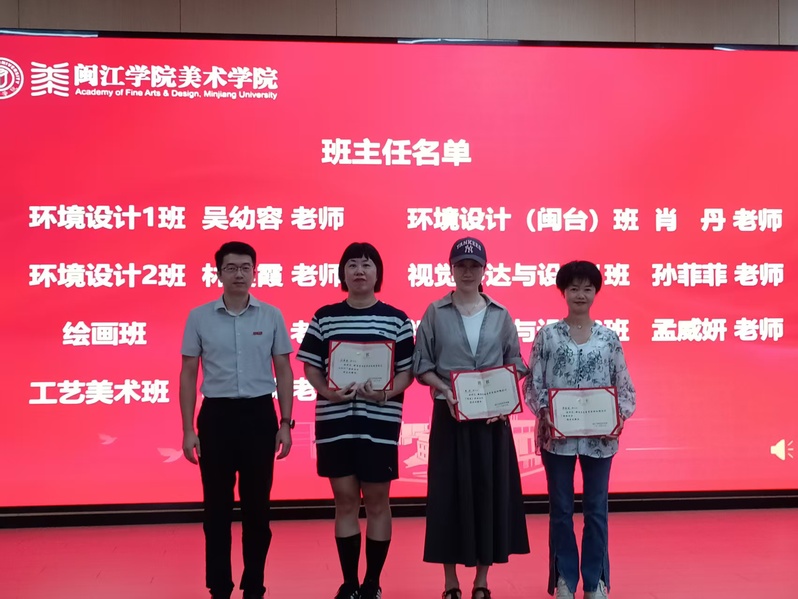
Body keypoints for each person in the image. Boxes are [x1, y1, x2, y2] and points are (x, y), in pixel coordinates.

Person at [413, 237, 530, 599]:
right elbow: (422, 365)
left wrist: (504, 397)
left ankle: (482, 580)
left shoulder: (500, 314)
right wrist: (445, 390)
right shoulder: (436, 312)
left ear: (484, 270)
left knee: (488, 494)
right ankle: (450, 582)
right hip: (450, 415)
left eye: (474, 266)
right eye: (461, 265)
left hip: (492, 421)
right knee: (447, 496)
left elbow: (516, 363)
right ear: (451, 269)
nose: (467, 272)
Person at [297, 242, 415, 599]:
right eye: (352, 265)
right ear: (342, 273)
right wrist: (328, 392)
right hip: (335, 421)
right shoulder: (325, 317)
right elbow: (311, 366)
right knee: (345, 501)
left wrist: (384, 393)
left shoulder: (397, 320)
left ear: (378, 273)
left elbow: (407, 372)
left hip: (379, 422)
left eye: (366, 264)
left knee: (378, 502)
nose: (359, 271)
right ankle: (349, 584)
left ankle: (371, 584)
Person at [179, 241, 295, 599]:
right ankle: (219, 585)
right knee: (216, 509)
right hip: (216, 417)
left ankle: (254, 584)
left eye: (245, 267)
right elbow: (188, 374)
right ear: (219, 273)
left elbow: (284, 370)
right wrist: (187, 429)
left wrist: (286, 422)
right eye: (231, 268)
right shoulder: (199, 317)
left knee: (257, 508)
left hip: (259, 416)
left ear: (254, 272)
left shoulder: (271, 315)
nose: (239, 274)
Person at [525, 260, 636, 599]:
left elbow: (625, 389)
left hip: (599, 440)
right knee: (560, 509)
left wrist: (617, 418)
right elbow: (533, 384)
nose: (580, 294)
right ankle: (565, 579)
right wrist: (546, 413)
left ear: (595, 292)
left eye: (587, 288)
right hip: (556, 439)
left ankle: (595, 581)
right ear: (563, 291)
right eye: (574, 288)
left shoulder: (608, 339)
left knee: (596, 509)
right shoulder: (548, 336)